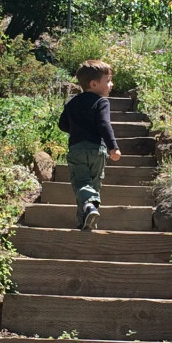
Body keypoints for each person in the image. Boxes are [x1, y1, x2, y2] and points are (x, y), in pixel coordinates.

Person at [58, 59, 121, 229]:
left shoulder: (72, 102)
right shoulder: (101, 102)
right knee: (93, 185)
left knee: (81, 183)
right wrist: (113, 147)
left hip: (77, 149)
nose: (112, 84)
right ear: (94, 84)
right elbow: (104, 124)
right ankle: (88, 217)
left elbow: (62, 125)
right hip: (97, 150)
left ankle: (86, 217)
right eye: (108, 81)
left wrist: (77, 129)